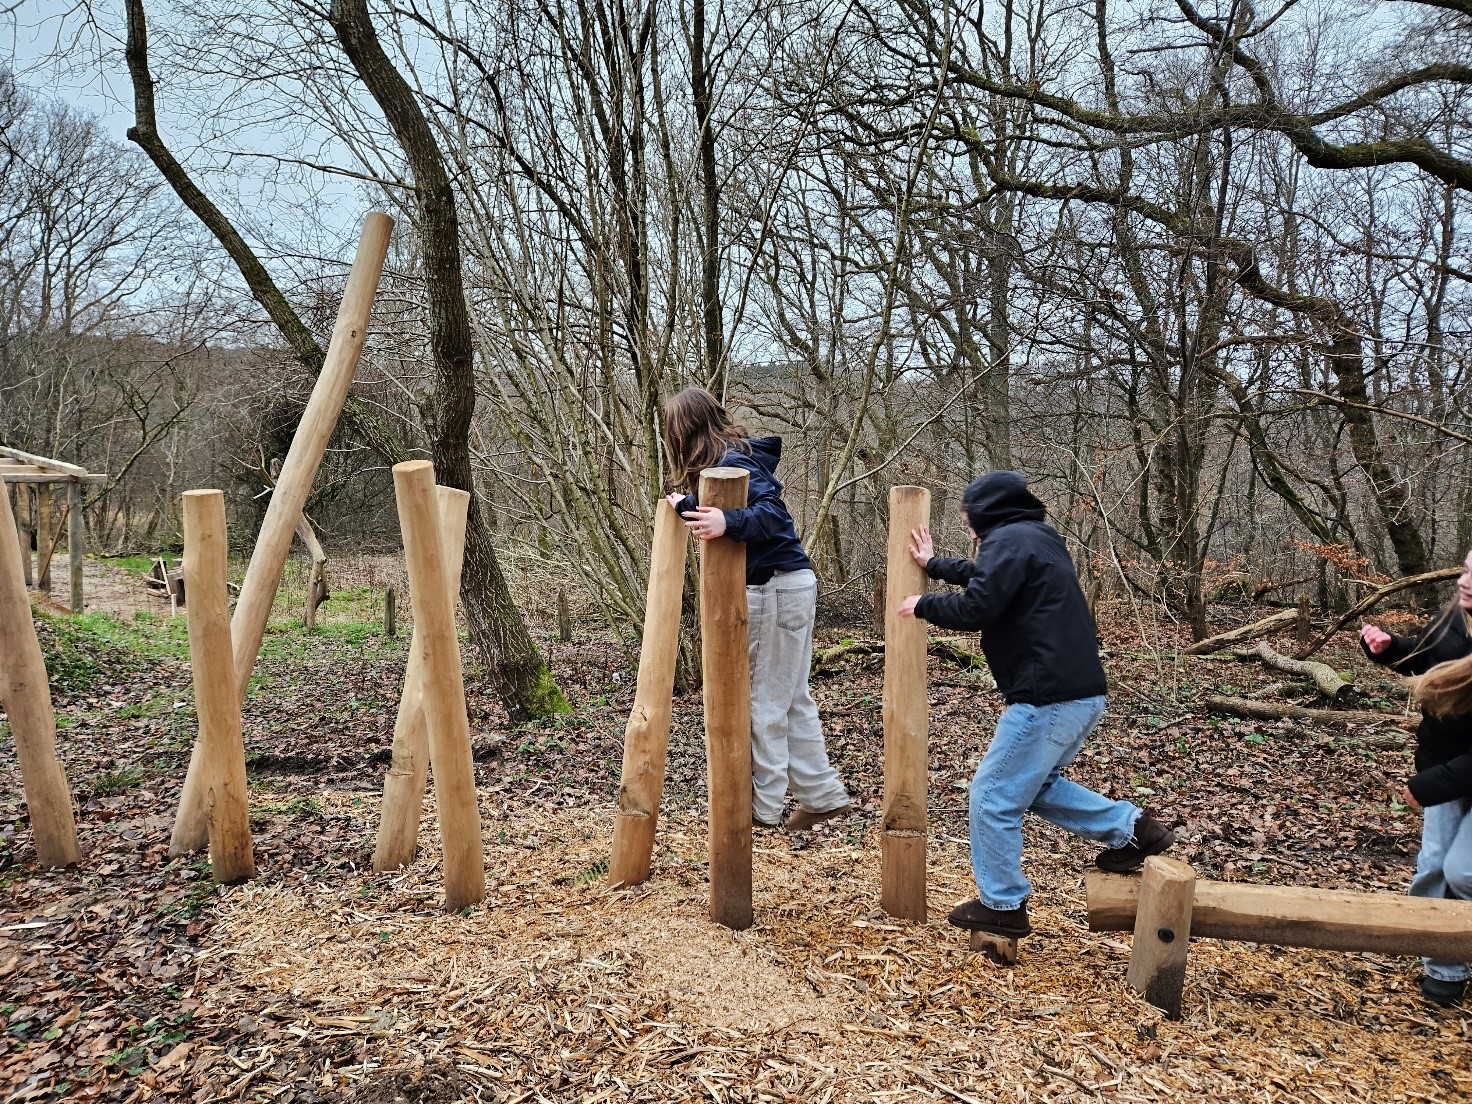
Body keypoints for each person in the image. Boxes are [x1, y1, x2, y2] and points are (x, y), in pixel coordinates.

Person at [898, 470, 1173, 939]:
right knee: (1033, 786)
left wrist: (922, 605)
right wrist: (936, 564)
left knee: (992, 797)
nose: (969, 528)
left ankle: (1002, 905)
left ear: (987, 513)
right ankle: (1133, 830)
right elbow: (992, 580)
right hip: (1080, 692)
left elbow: (979, 606)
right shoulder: (1037, 539)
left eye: (970, 518)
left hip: (1046, 696)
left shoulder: (1006, 542)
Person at [662, 387, 851, 831]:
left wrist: (725, 522)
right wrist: (692, 506)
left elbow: (773, 516)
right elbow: (737, 505)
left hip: (776, 588)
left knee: (763, 698)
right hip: (790, 584)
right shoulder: (734, 459)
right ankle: (820, 793)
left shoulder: (734, 462)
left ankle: (762, 807)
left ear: (684, 431)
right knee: (791, 698)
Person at [1360, 549, 1472, 1008]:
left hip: (1450, 776)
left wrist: (1426, 786)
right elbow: (1429, 664)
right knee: (1433, 867)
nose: (1466, 582)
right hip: (1445, 768)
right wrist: (1391, 649)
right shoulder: (1454, 620)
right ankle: (1444, 965)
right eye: (1467, 570)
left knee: (1463, 871)